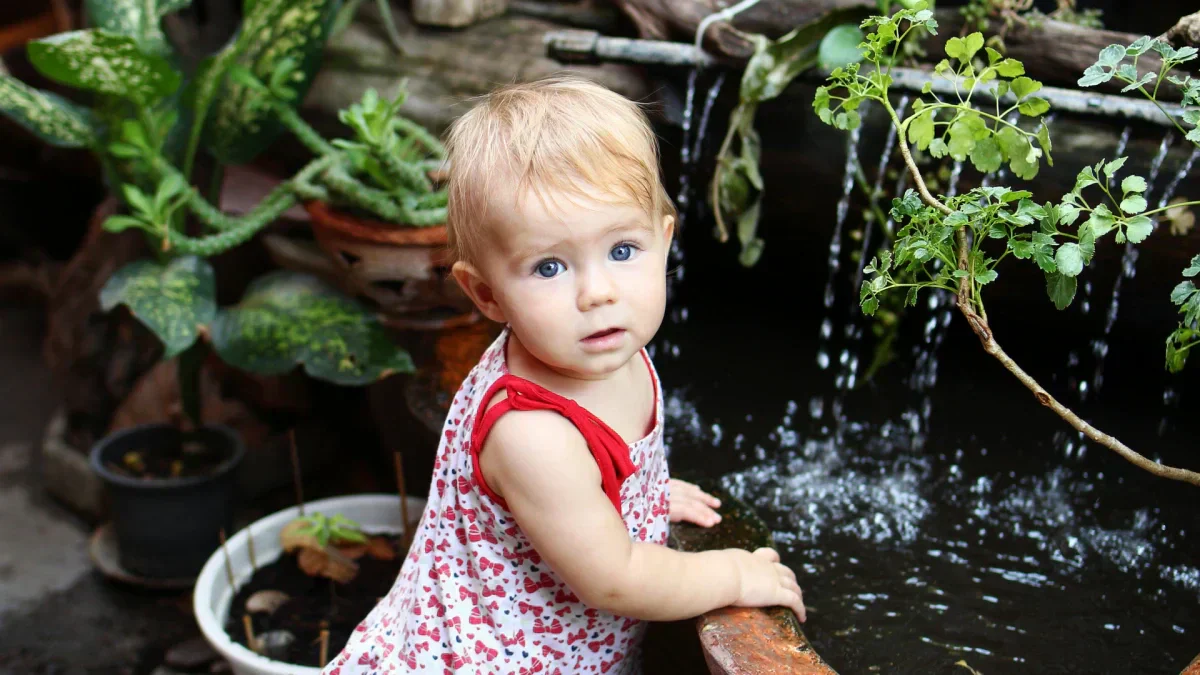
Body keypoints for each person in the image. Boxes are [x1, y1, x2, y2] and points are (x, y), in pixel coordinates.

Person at [325, 75, 805, 675]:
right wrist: (731, 572)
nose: (597, 292)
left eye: (622, 251)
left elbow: (599, 484)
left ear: (663, 241)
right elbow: (615, 580)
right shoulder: (533, 433)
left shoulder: (599, 345)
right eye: (549, 266)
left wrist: (639, 501)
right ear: (486, 293)